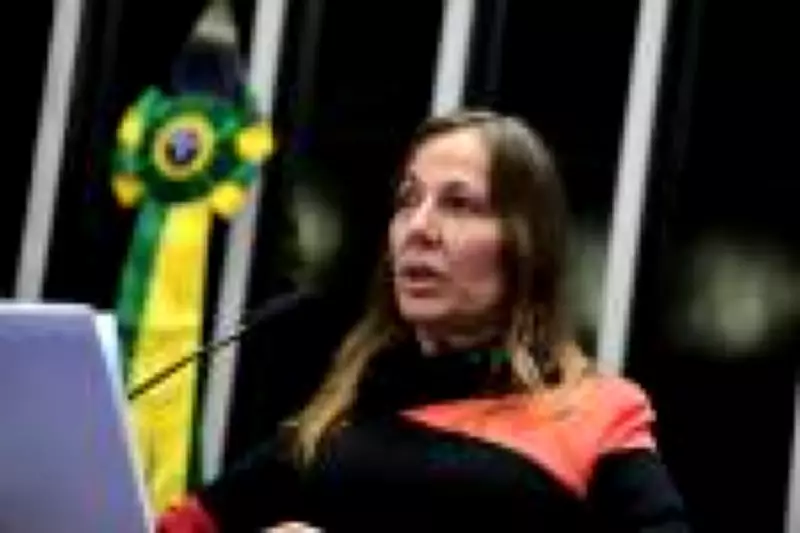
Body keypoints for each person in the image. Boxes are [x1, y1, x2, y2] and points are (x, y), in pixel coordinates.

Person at [158, 110, 690, 532]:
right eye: (407, 200)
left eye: (459, 204)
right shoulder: (334, 416)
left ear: (525, 246)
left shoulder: (596, 412)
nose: (419, 227)